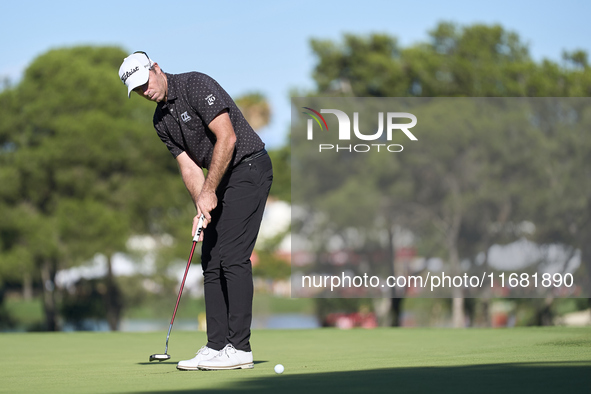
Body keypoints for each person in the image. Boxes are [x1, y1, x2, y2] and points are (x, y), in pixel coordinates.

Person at [118, 51, 273, 370]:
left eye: (145, 83)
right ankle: (216, 345)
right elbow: (189, 168)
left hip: (249, 167)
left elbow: (227, 139)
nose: (145, 92)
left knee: (232, 256)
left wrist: (209, 191)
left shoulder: (195, 85)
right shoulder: (160, 121)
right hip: (221, 180)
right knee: (211, 258)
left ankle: (240, 348)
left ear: (156, 68)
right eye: (137, 90)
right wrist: (201, 207)